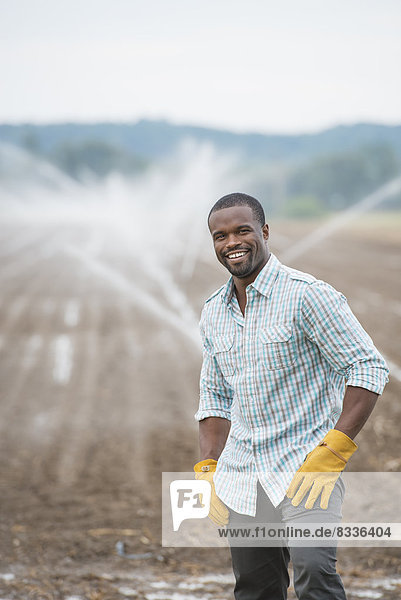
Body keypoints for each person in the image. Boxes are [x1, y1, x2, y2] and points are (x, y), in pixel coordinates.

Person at [193, 193, 389, 600]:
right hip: (242, 475)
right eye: (220, 236)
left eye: (242, 231)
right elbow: (214, 396)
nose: (232, 243)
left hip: (306, 469)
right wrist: (208, 465)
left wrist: (334, 449)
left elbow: (367, 366)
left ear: (264, 232)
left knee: (315, 573)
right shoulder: (214, 310)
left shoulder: (308, 295)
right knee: (256, 588)